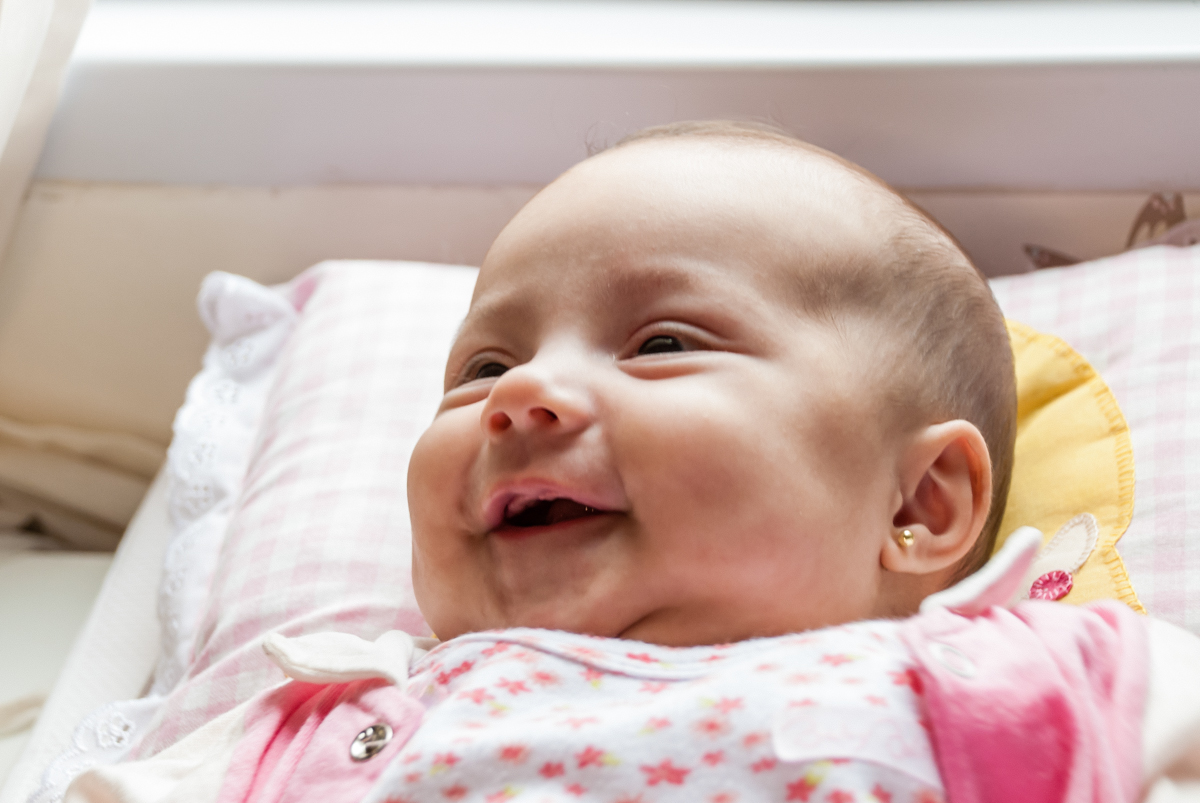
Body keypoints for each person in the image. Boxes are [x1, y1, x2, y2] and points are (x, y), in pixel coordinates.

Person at [65, 123, 1200, 803]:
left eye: (661, 344)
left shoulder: (988, 682)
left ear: (917, 502)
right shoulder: (325, 707)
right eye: (482, 365)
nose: (518, 395)